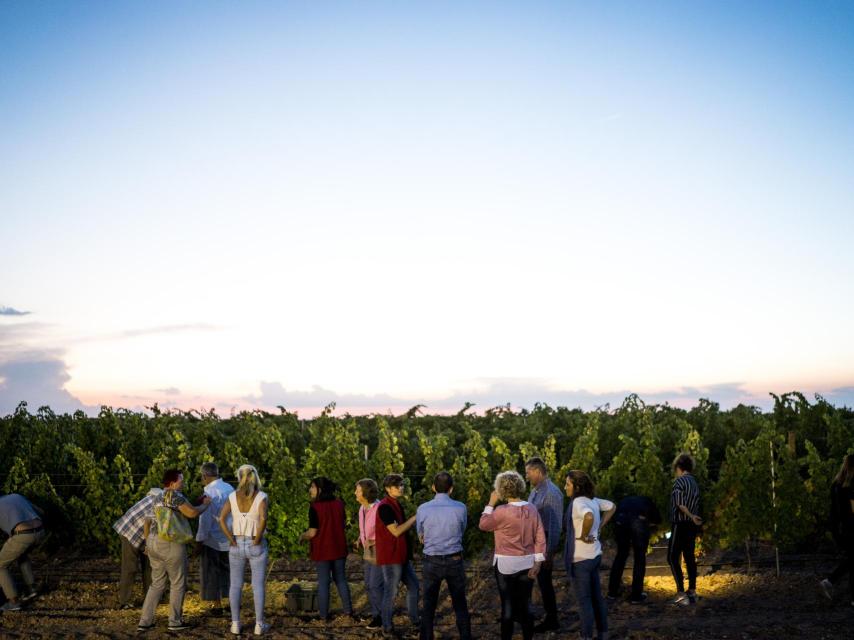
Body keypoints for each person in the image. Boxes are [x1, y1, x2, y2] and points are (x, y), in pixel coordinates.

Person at [137, 469, 210, 633]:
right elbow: (191, 513)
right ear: (172, 483)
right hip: (170, 542)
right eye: (181, 480)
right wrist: (205, 505)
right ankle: (175, 621)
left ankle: (145, 621)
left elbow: (148, 521)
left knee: (156, 584)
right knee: (178, 583)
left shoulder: (156, 497)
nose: (183, 483)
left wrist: (148, 544)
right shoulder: (174, 495)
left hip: (153, 542)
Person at [479, 470, 545, 640]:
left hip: (505, 565)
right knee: (526, 605)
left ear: (501, 490)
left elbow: (483, 525)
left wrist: (490, 503)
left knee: (507, 606)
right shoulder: (532, 508)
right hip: (527, 563)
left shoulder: (501, 511)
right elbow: (540, 536)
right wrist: (538, 562)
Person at [416, 471, 471, 640]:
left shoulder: (423, 508)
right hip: (455, 559)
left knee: (429, 606)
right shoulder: (461, 507)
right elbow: (462, 530)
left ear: (433, 487)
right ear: (451, 489)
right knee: (460, 604)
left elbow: (421, 536)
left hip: (431, 561)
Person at [218, 464, 270, 636]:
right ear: (255, 477)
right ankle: (259, 624)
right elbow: (263, 518)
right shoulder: (261, 496)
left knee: (235, 585)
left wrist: (230, 538)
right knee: (258, 586)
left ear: (239, 477)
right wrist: (257, 538)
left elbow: (221, 519)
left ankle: (235, 624)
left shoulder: (232, 496)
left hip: (237, 543)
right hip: (256, 544)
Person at [563, 470, 614, 640]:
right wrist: (600, 527)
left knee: (584, 601)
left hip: (581, 560)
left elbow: (589, 516)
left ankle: (585, 636)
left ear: (576, 487)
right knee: (597, 597)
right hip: (594, 556)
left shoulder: (578, 503)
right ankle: (603, 633)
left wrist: (584, 535)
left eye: (568, 484)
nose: (565, 487)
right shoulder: (593, 500)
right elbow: (612, 506)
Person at [300, 477, 354, 622]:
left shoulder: (314, 507)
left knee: (324, 582)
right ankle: (348, 612)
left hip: (323, 550)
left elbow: (312, 533)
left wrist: (302, 536)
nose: (310, 490)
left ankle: (324, 615)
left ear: (320, 490)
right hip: (339, 548)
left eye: (312, 487)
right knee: (341, 580)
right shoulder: (339, 504)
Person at [375, 473, 420, 638]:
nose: (401, 488)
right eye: (397, 486)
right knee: (391, 592)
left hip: (402, 557)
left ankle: (415, 621)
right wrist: (414, 518)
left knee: (414, 586)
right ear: (388, 489)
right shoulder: (385, 507)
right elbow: (396, 531)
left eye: (401, 485)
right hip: (391, 557)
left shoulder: (396, 504)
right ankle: (387, 627)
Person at [524, 456, 564, 632]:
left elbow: (555, 526)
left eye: (528, 473)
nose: (526, 477)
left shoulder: (551, 493)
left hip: (544, 542)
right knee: (535, 581)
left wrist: (549, 552)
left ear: (538, 472)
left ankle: (552, 620)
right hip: (533, 542)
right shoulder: (536, 491)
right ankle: (531, 615)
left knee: (545, 583)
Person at [113, 487, 162, 608]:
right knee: (130, 568)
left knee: (150, 565)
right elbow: (148, 524)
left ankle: (150, 598)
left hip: (139, 531)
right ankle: (124, 602)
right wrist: (149, 545)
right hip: (130, 531)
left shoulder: (160, 495)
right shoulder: (161, 506)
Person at [607, 495, 662, 603]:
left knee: (621, 555)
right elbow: (657, 520)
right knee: (640, 558)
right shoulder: (647, 501)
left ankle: (612, 593)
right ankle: (636, 596)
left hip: (620, 520)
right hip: (638, 521)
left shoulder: (624, 500)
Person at [196, 462, 234, 613]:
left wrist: (199, 540)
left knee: (211, 572)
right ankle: (231, 601)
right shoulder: (230, 488)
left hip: (212, 538)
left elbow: (204, 520)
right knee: (228, 571)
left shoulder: (209, 493)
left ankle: (216, 605)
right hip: (229, 536)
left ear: (204, 476)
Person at [0, 493, 46, 612]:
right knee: (21, 555)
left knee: (0, 565)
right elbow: (41, 511)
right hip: (40, 531)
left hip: (24, 536)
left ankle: (13, 602)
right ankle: (32, 588)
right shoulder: (16, 496)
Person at [819, 453, 854, 607]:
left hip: (838, 528)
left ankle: (830, 582)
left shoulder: (836, 484)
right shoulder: (850, 485)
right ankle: (830, 582)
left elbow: (834, 509)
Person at [667, 453, 702, 606]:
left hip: (680, 524)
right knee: (689, 557)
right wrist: (694, 517)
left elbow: (680, 505)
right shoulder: (694, 483)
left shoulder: (679, 482)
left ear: (679, 467)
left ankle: (681, 593)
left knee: (672, 557)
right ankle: (692, 591)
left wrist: (690, 515)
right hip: (691, 526)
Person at [354, 478, 385, 630]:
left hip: (379, 550)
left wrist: (373, 541)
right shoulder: (362, 508)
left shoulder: (380, 508)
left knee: (375, 585)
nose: (355, 493)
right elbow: (366, 527)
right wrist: (361, 537)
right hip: (368, 551)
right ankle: (376, 613)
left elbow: (389, 531)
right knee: (368, 584)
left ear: (365, 493)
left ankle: (381, 617)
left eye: (358, 490)